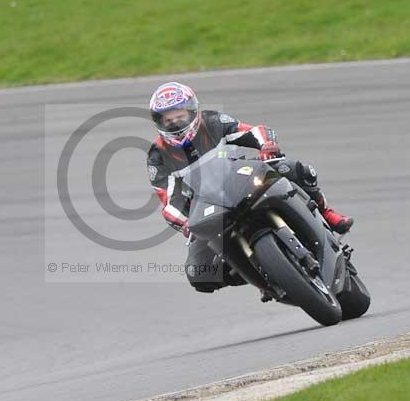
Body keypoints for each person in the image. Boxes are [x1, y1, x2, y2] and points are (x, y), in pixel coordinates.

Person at [146, 82, 353, 295]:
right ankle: (261, 274)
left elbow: (253, 131)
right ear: (158, 122)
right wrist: (185, 223)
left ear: (192, 112)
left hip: (240, 177)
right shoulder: (157, 155)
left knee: (297, 170)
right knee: (199, 273)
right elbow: (168, 201)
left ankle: (327, 214)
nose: (175, 124)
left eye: (179, 117)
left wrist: (266, 145)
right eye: (168, 120)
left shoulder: (212, 121)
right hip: (206, 208)